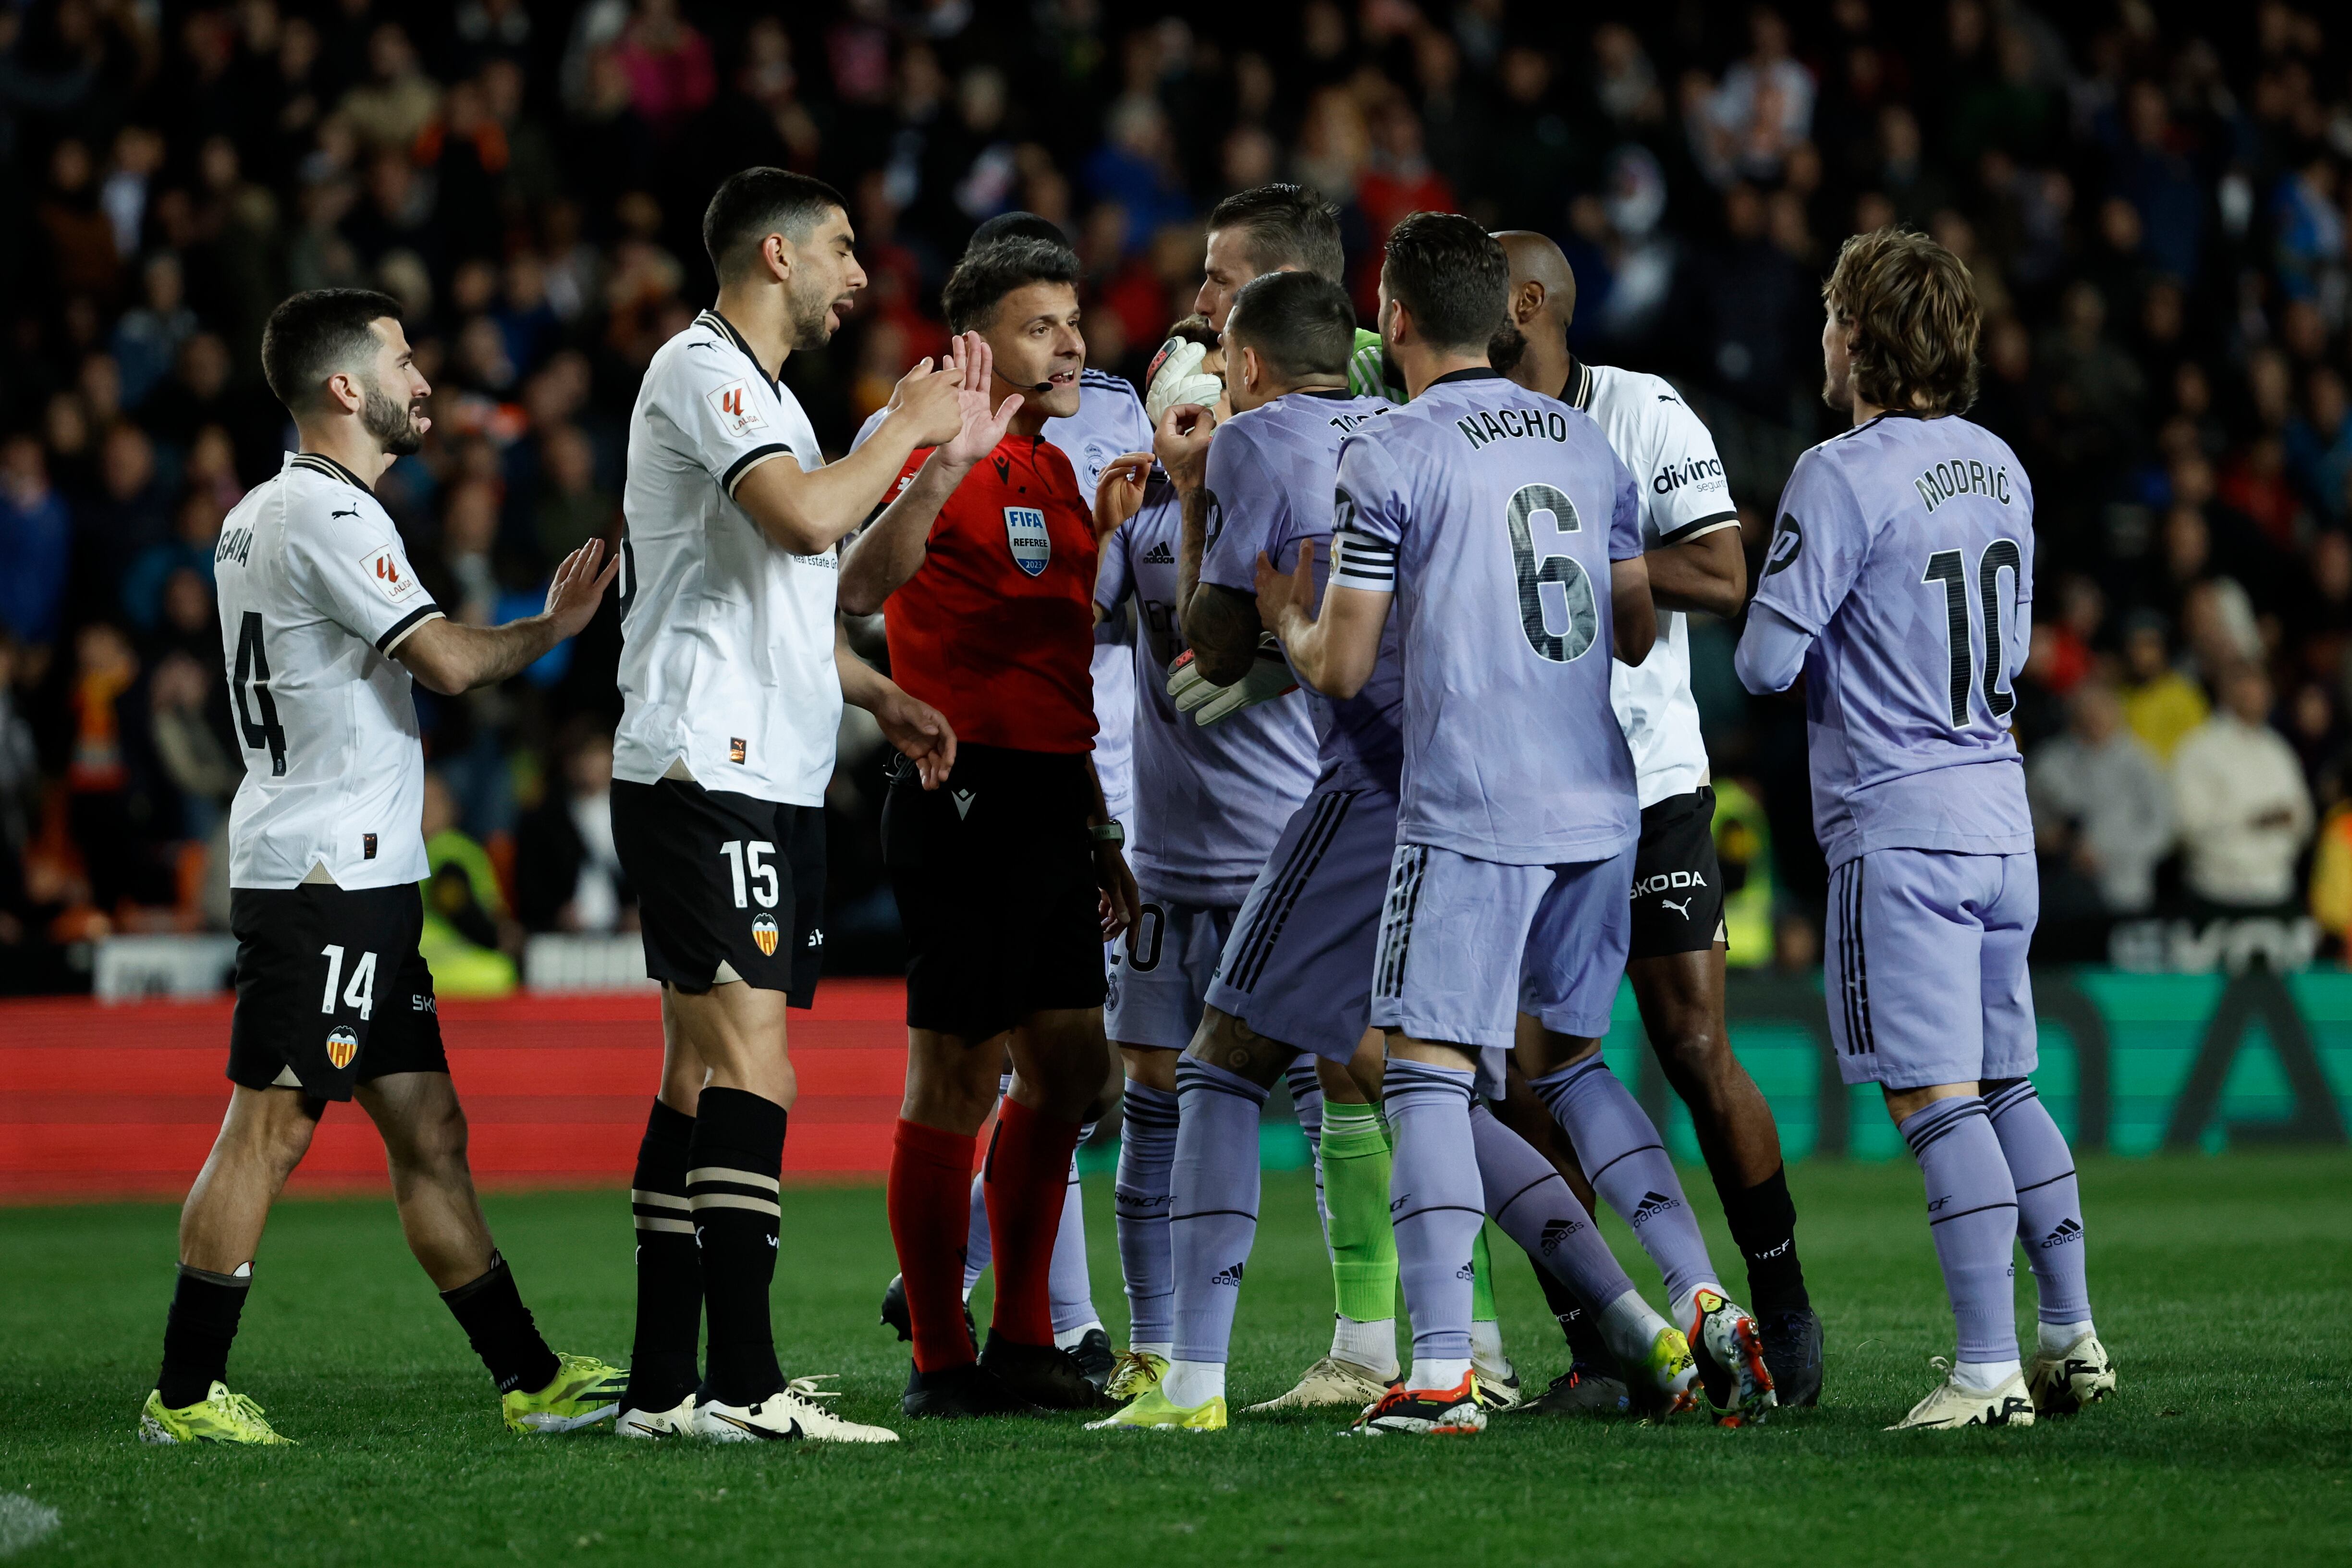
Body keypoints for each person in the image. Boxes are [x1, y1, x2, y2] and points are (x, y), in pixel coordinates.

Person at [1255, 213, 1725, 1435]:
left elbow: (1349, 666)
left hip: (1473, 802)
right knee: (1567, 1063)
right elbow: (1631, 629)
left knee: (1420, 1071)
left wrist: (1289, 616)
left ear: (1394, 320)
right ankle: (1698, 1289)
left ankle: (1443, 1374)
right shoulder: (1584, 441)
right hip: (1602, 801)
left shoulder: (1393, 451)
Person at [139, 287, 625, 1446]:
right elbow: (450, 663)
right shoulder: (334, 518)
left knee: (431, 1132)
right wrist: (553, 631)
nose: (423, 380)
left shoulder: (257, 513)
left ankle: (528, 1375)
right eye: (404, 361)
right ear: (346, 387)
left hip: (353, 871)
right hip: (326, 879)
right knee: (272, 1125)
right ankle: (187, 1396)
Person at [1735, 226, 2115, 1429]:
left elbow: (1761, 663)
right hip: (2001, 819)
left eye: (1831, 317)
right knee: (2009, 1084)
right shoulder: (2001, 464)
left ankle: (1985, 1370)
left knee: (1932, 1098)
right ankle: (2070, 1332)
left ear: (1859, 337)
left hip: (1898, 828)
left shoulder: (1837, 473)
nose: (1821, 337)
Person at [606, 167, 962, 1446]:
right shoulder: (700, 371)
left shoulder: (775, 401)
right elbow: (810, 521)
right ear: (776, 255)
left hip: (763, 766)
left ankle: (661, 1389)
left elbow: (831, 580)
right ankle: (745, 1385)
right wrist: (904, 426)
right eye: (842, 252)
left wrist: (879, 692)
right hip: (710, 766)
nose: (859, 278)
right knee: (756, 1062)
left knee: (698, 1072)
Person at [1491, 230, 1820, 1409]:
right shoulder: (1470, 420)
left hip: (1650, 777)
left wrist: (1590, 549)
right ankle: (1603, 1339)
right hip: (1526, 786)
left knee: (1689, 1046)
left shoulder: (1640, 411)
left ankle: (1776, 1299)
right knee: (1529, 1079)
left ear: (1528, 304)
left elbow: (1725, 576)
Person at [1089, 269, 1422, 1430]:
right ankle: (1584, 1324)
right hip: (1452, 796)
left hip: (1322, 815)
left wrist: (1192, 495)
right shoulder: (1411, 433)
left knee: (1248, 1067)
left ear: (1246, 368)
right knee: (1432, 1075)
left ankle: (1199, 1379)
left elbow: (1215, 652)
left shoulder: (1244, 456)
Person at [837, 235, 1144, 1418]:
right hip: (958, 795)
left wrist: (1097, 824)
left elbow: (1055, 665)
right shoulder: (919, 437)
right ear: (976, 346)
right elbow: (860, 587)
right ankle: (938, 1354)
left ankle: (1022, 1340)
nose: (1069, 343)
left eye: (1073, 320)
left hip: (1049, 800)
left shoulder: (1057, 471)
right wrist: (932, 462)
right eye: (1038, 327)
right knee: (957, 1077)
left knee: (1068, 1068)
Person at [1081, 309, 1321, 1417]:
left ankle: (1371, 1337)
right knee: (1149, 1100)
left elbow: (1223, 649)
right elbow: (1078, 638)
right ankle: (1156, 1348)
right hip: (1169, 865)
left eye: (1212, 400)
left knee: (1336, 1096)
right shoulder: (1136, 527)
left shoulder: (1267, 511)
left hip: (1283, 852)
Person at [1193, 182, 1400, 404]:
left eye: (1222, 282)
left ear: (1283, 287)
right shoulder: (1213, 379)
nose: (1201, 305)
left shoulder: (1377, 372)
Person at [2172, 662, 2313, 914]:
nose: (2256, 695)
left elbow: (2303, 820)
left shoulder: (2278, 750)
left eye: (2261, 687)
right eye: (2246, 686)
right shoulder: (2198, 749)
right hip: (2217, 892)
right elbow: (2187, 827)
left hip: (2276, 889)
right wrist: (2255, 819)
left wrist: (2286, 822)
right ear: (2226, 691)